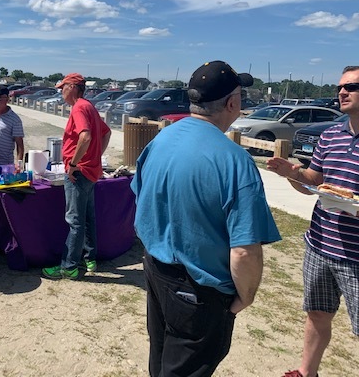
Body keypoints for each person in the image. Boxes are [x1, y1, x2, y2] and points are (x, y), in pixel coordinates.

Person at [131, 60, 281, 376]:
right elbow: (244, 251)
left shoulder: (162, 139)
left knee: (161, 359)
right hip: (199, 292)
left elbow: (141, 196)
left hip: (157, 270)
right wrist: (245, 298)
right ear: (232, 103)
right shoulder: (235, 161)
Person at [267, 65, 359, 377]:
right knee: (318, 313)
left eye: (352, 87)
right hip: (320, 245)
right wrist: (291, 173)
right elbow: (313, 183)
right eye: (340, 87)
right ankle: (307, 372)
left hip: (356, 256)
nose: (343, 92)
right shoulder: (330, 136)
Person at [41, 73, 111, 280]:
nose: (61, 92)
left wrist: (73, 164)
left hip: (79, 172)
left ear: (72, 87)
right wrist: (95, 156)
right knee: (87, 217)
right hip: (90, 171)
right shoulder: (89, 106)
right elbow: (106, 133)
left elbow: (85, 136)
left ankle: (69, 266)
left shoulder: (79, 107)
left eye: (63, 87)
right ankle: (89, 258)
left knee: (74, 220)